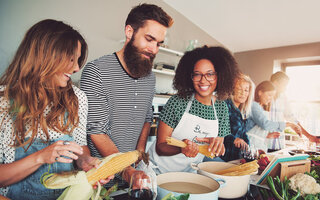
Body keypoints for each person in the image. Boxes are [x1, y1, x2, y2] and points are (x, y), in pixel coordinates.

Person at [0, 19, 112, 200]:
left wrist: (85, 161)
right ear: (45, 55)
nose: (76, 68)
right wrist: (40, 157)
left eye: (77, 60)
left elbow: (80, 147)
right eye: (71, 59)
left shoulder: (78, 99)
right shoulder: (3, 102)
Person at [80, 3, 173, 187]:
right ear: (129, 32)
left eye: (158, 44)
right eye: (149, 39)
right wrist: (126, 170)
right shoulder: (96, 71)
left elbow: (146, 118)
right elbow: (97, 132)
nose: (154, 49)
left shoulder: (150, 77)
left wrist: (139, 154)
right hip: (101, 179)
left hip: (133, 176)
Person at [148, 46, 239, 174]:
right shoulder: (178, 102)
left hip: (188, 174)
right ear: (190, 77)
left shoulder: (221, 108)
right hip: (157, 171)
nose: (203, 80)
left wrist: (216, 147)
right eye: (197, 74)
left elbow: (217, 148)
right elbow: (160, 146)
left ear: (220, 76)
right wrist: (182, 148)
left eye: (210, 74)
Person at [246, 81, 300, 152]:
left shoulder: (262, 108)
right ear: (260, 93)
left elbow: (257, 128)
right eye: (269, 95)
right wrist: (288, 124)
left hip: (260, 146)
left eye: (272, 96)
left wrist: (266, 135)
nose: (271, 99)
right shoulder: (254, 106)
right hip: (251, 145)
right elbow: (265, 124)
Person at [221, 74, 255, 162]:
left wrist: (249, 149)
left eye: (246, 90)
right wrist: (234, 139)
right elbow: (219, 130)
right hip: (222, 157)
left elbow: (243, 133)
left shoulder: (242, 111)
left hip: (236, 158)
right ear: (232, 90)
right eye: (239, 89)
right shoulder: (225, 105)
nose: (243, 93)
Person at [269, 71, 303, 150]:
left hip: (279, 145)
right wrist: (289, 124)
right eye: (284, 85)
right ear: (276, 82)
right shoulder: (263, 98)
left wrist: (308, 136)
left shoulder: (283, 98)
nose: (285, 88)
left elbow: (291, 117)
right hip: (265, 144)